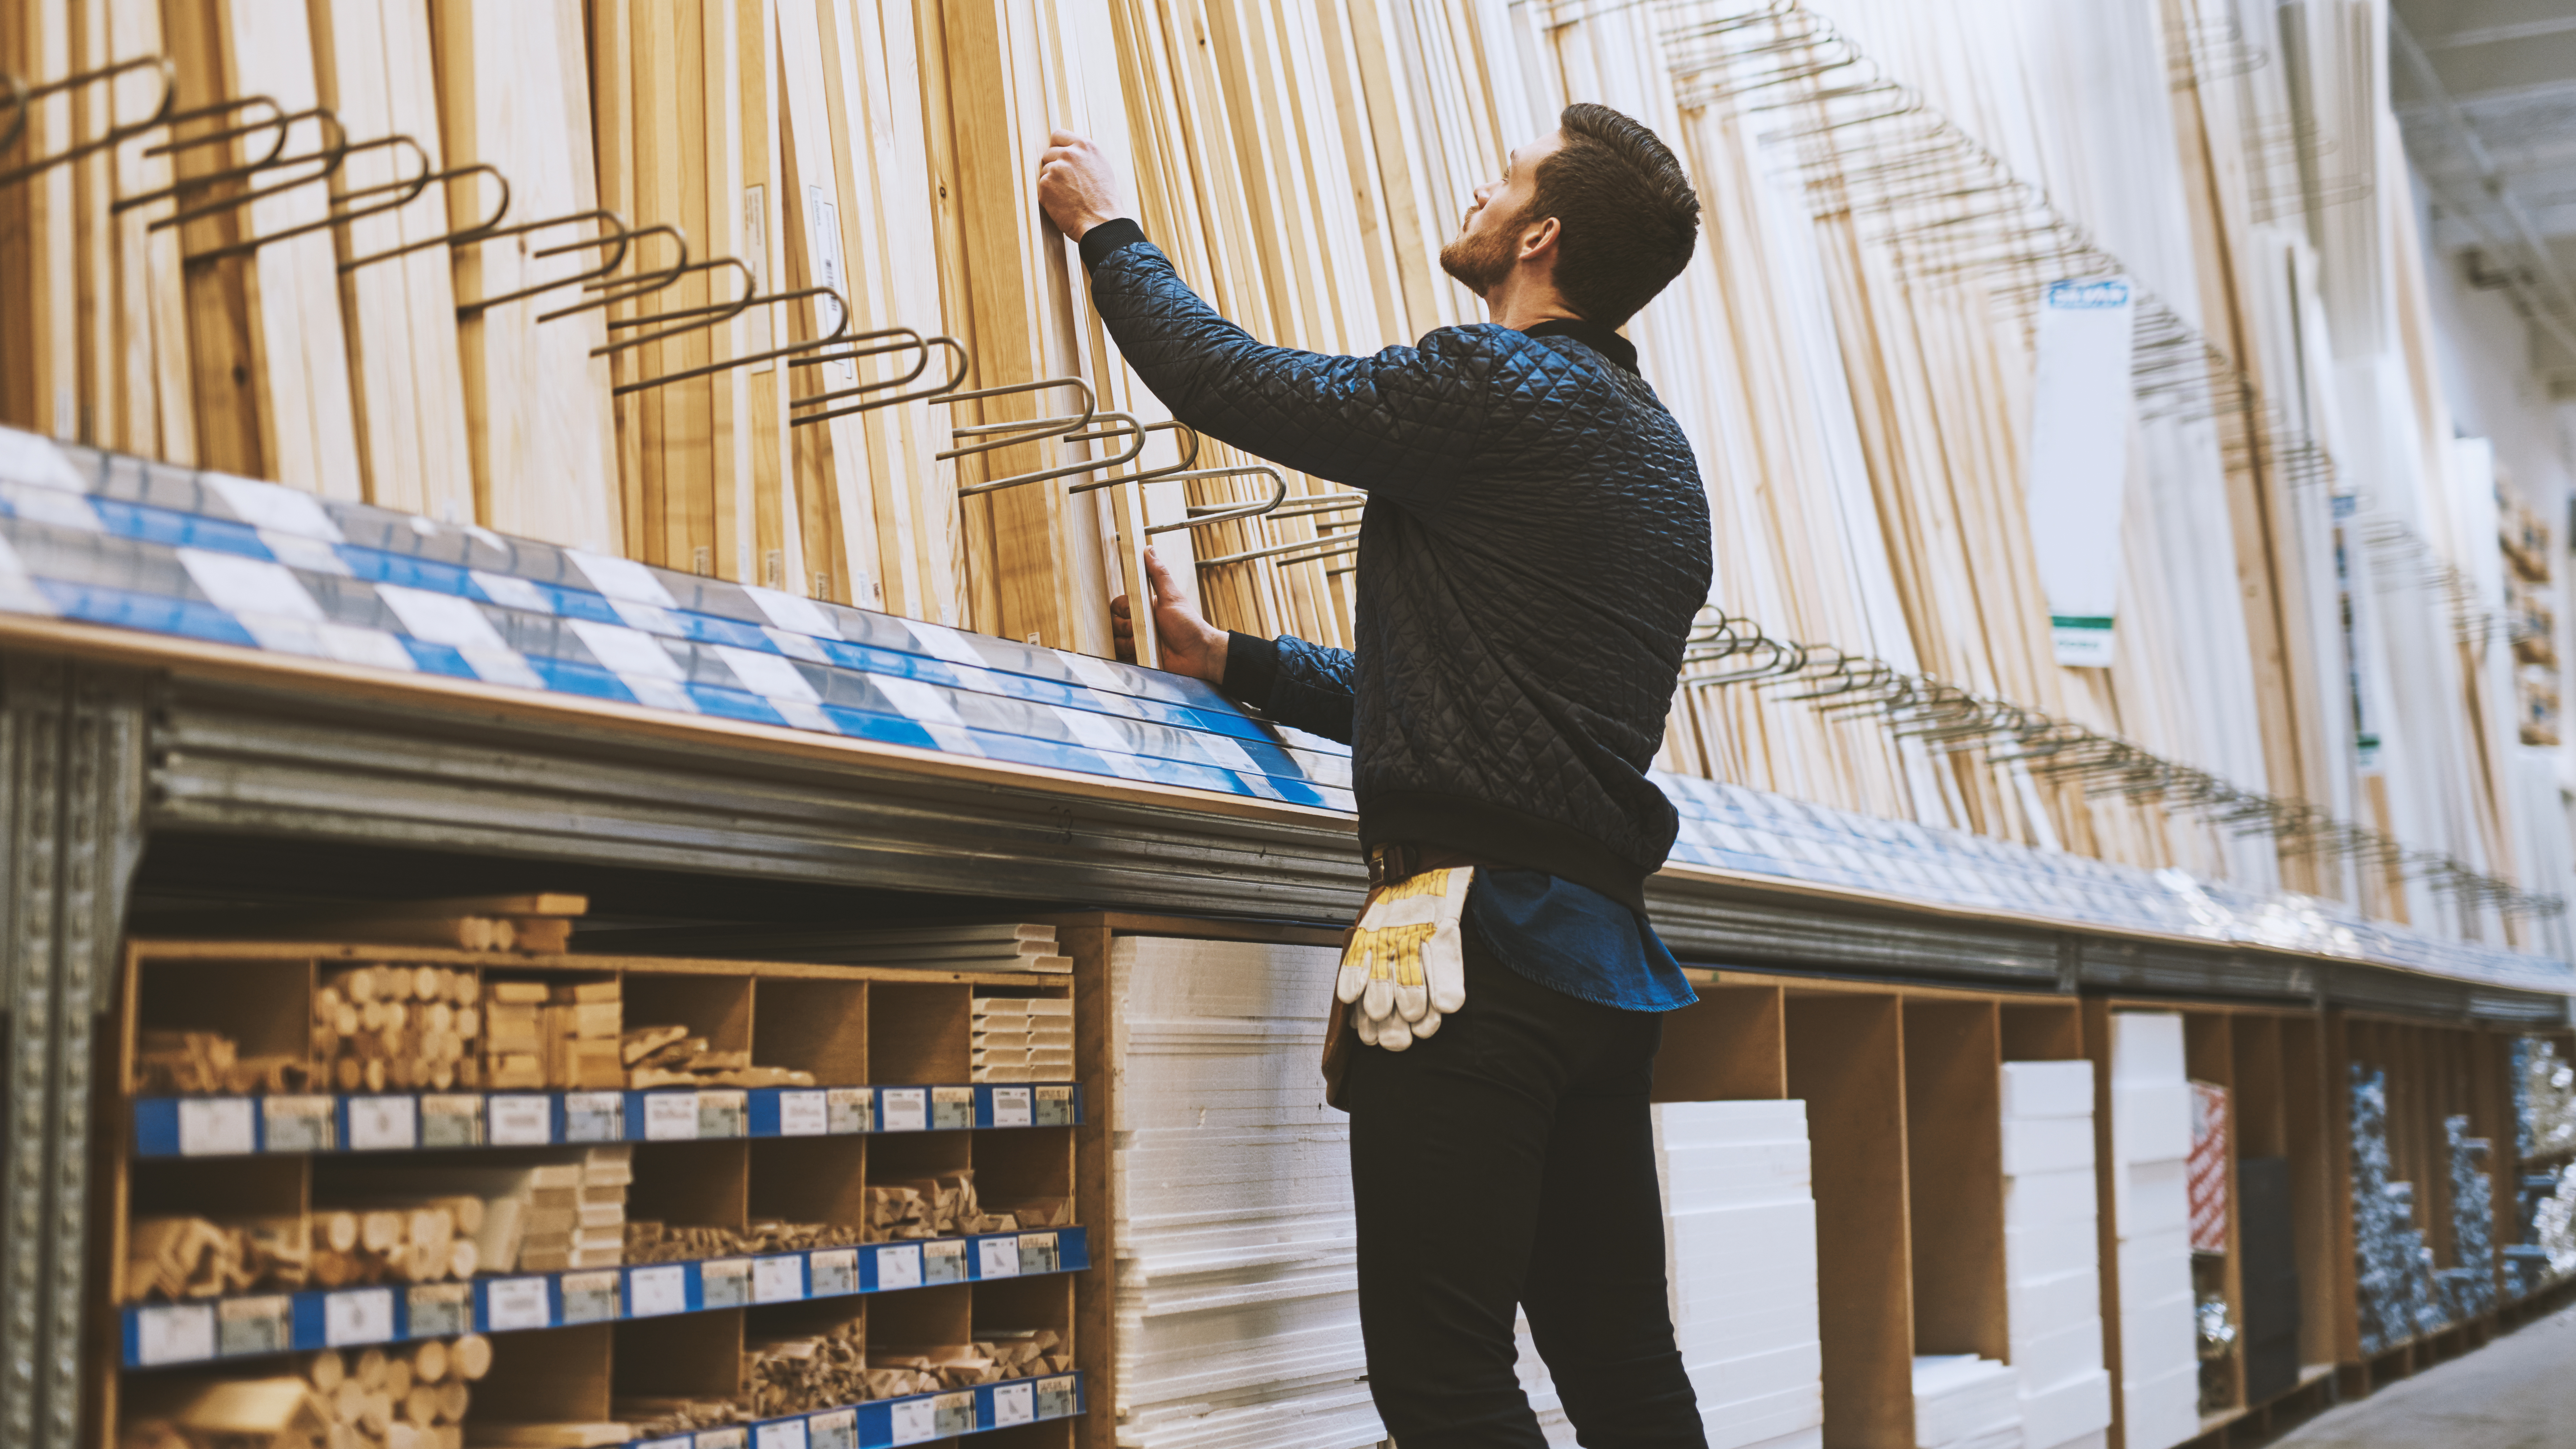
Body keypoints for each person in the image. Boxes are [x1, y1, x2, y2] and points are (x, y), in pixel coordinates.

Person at [1038, 103, 1713, 1449]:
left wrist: (1108, 233)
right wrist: (1237, 660)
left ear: (1541, 236)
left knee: (1444, 1376)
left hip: (1473, 956)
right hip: (1598, 967)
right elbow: (1473, 704)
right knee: (1622, 1364)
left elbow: (1234, 382)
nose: (1477, 183)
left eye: (1504, 177)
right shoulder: (1662, 463)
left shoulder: (1493, 387)